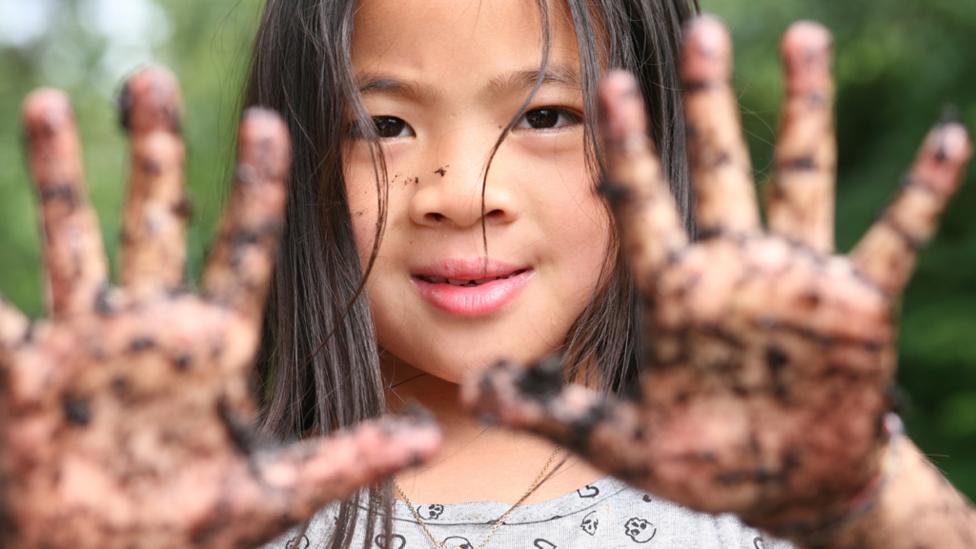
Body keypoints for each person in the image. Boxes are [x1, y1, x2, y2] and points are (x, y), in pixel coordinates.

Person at [0, 2, 972, 549]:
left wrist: (867, 498)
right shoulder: (207, 512)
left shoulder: (764, 484)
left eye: (546, 115)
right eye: (382, 125)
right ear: (293, 168)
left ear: (657, 143)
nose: (461, 192)